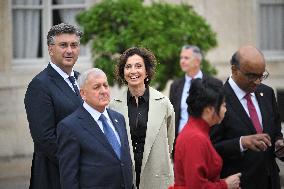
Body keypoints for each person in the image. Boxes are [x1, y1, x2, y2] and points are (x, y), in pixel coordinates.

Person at [210, 45, 284, 189]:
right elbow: (210, 147)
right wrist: (241, 143)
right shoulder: (218, 98)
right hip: (239, 183)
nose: (257, 81)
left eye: (261, 75)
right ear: (234, 70)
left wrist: (279, 144)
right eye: (251, 76)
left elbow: (275, 132)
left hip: (270, 181)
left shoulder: (267, 93)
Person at [24, 23, 83, 189]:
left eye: (74, 45)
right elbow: (45, 139)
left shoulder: (81, 79)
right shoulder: (39, 85)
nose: (69, 50)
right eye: (63, 45)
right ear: (50, 49)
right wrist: (78, 164)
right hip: (55, 176)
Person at [109, 47, 175, 189]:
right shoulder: (113, 106)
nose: (133, 71)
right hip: (125, 178)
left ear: (147, 72)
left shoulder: (164, 103)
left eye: (138, 66)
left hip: (156, 177)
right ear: (123, 72)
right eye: (128, 67)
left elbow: (170, 141)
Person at [57, 68, 133, 189]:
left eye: (105, 85)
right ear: (83, 94)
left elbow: (124, 161)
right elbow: (69, 178)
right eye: (97, 87)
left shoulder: (119, 118)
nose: (103, 91)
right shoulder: (70, 126)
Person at [172, 77, 241, 189]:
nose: (225, 110)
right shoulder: (195, 137)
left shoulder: (197, 132)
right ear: (209, 109)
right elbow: (196, 186)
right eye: (223, 105)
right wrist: (225, 185)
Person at [169, 45, 206, 148]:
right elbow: (173, 115)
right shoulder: (175, 85)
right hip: (180, 142)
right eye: (181, 58)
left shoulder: (212, 83)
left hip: (204, 141)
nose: (182, 61)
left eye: (186, 58)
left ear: (197, 61)